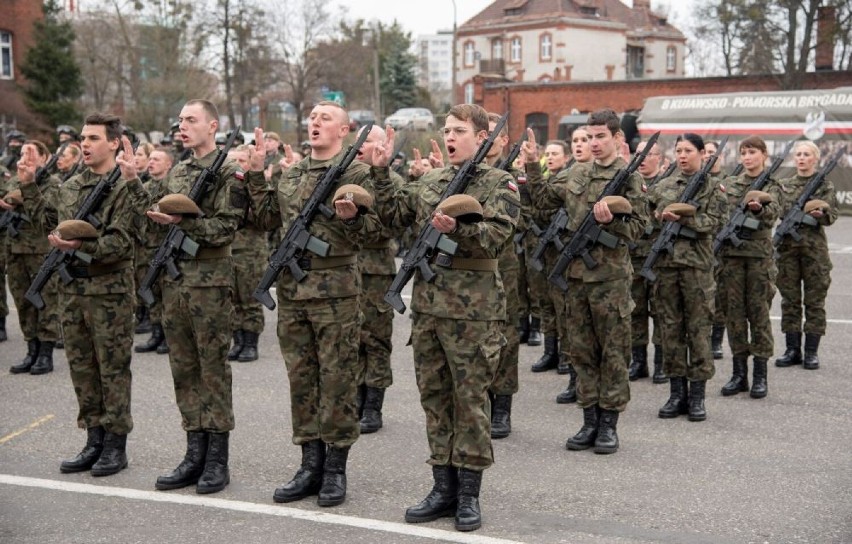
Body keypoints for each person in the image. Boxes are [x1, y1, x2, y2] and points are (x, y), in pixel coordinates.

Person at [373, 103, 519, 532]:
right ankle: (442, 486)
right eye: (447, 130)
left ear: (481, 137)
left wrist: (459, 230)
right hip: (430, 311)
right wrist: (382, 174)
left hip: (474, 315)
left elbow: (496, 237)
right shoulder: (432, 181)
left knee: (471, 403)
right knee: (435, 400)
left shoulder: (500, 184)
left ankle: (469, 494)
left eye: (459, 131)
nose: (450, 137)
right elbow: (393, 218)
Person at [245, 102, 384, 507]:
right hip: (293, 292)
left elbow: (377, 233)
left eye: (325, 118)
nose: (316, 123)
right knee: (302, 380)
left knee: (338, 380)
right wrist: (256, 175)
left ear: (344, 130)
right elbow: (265, 219)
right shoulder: (293, 173)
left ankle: (336, 469)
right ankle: (309, 465)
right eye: (312, 118)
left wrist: (352, 219)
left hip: (336, 292)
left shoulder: (356, 173)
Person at [527, 109, 647, 454]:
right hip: (576, 278)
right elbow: (542, 201)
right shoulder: (575, 172)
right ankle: (588, 420)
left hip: (610, 280)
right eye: (589, 137)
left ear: (616, 139)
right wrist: (533, 164)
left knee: (613, 352)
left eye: (600, 137)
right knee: (581, 350)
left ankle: (609, 424)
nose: (594, 144)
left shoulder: (629, 178)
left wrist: (613, 224)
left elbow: (639, 230)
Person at [147, 99, 245, 495]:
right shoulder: (180, 171)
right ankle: (193, 453)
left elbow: (225, 228)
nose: (182, 126)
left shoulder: (229, 172)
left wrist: (185, 221)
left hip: (209, 283)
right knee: (184, 369)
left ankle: (217, 459)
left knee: (212, 370)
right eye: (180, 120)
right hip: (175, 283)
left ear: (213, 126)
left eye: (191, 120)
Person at [49, 113, 136, 476]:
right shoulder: (70, 186)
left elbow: (121, 242)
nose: (84, 144)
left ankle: (116, 444)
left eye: (94, 138)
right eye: (83, 138)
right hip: (72, 290)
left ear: (114, 142)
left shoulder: (123, 187)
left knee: (112, 369)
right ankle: (93, 439)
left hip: (108, 291)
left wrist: (79, 246)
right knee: (82, 367)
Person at [647, 133, 727, 421]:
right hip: (667, 268)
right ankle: (676, 393)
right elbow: (646, 216)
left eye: (688, 150)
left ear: (702, 153)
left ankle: (697, 396)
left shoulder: (712, 188)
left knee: (698, 330)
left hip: (696, 269)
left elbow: (716, 222)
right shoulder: (664, 185)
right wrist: (658, 217)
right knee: (670, 330)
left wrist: (684, 219)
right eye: (678, 150)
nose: (682, 155)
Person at [717, 136, 780, 399]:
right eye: (743, 152)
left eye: (752, 152)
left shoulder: (773, 184)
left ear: (764, 154)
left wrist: (758, 210)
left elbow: (774, 212)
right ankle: (739, 374)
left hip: (758, 260)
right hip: (731, 259)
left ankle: (760, 375)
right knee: (734, 316)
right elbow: (720, 213)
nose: (747, 157)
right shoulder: (730, 184)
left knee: (759, 315)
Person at [352, 124, 404, 434]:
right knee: (352, 338)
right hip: (346, 268)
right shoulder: (346, 176)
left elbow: (390, 225)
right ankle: (356, 396)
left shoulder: (390, 181)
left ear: (382, 146)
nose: (360, 145)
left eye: (367, 140)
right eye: (358, 140)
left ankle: (373, 404)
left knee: (375, 339)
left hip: (376, 270)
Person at [774, 140, 837, 370]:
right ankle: (792, 350)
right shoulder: (784, 185)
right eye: (798, 154)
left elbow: (831, 217)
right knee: (790, 301)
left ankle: (811, 352)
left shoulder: (824, 186)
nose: (801, 158)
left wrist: (820, 213)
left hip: (814, 253)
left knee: (814, 302)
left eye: (806, 154)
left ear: (815, 158)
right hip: (788, 251)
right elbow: (776, 211)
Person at [4, 140, 61, 375]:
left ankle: (45, 353)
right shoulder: (18, 179)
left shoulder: (53, 183)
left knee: (45, 302)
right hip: (16, 250)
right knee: (23, 301)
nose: (25, 157)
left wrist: (23, 194)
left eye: (31, 153)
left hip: (41, 251)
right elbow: (9, 197)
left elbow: (48, 209)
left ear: (44, 158)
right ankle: (31, 349)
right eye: (22, 153)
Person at [484, 112, 521, 440]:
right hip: (473, 268)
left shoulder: (514, 175)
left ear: (504, 140)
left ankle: (502, 408)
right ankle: (482, 399)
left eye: (492, 135)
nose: (486, 141)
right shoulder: (467, 173)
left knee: (506, 335)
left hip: (505, 265)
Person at [528, 139, 572, 375]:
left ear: (566, 158)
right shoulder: (545, 181)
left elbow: (542, 206)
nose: (552, 157)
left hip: (561, 251)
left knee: (561, 304)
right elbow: (536, 208)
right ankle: (550, 351)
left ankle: (566, 355)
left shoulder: (567, 179)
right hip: (542, 250)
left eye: (556, 153)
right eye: (549, 153)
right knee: (545, 302)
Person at [627, 139, 665, 384]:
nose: (642, 159)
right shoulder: (630, 184)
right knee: (635, 311)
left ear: (659, 158)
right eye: (638, 154)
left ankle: (661, 363)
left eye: (648, 154)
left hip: (659, 258)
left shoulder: (667, 184)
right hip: (633, 257)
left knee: (661, 311)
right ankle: (638, 362)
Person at [224, 144, 265, 363]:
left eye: (241, 160)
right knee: (231, 300)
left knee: (249, 298)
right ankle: (238, 340)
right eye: (232, 160)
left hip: (250, 251)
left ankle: (250, 343)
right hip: (227, 249)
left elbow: (264, 217)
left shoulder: (257, 187)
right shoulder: (224, 186)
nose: (236, 165)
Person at [133, 149, 173, 355]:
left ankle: (168, 335)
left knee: (167, 294)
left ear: (168, 164)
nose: (151, 163)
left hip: (166, 248)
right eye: (150, 159)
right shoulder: (145, 187)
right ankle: (156, 333)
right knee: (151, 293)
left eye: (156, 159)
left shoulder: (172, 187)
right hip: (145, 249)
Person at [704, 140, 728, 360]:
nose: (709, 156)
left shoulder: (727, 182)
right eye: (706, 152)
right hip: (701, 247)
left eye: (713, 152)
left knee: (719, 297)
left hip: (722, 248)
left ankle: (716, 341)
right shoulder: (698, 181)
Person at [131, 142, 155, 335]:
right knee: (137, 278)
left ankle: (149, 317)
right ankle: (140, 315)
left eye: (140, 155)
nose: (136, 158)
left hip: (148, 239)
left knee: (147, 278)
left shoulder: (149, 182)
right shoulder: (129, 178)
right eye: (135, 155)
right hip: (135, 240)